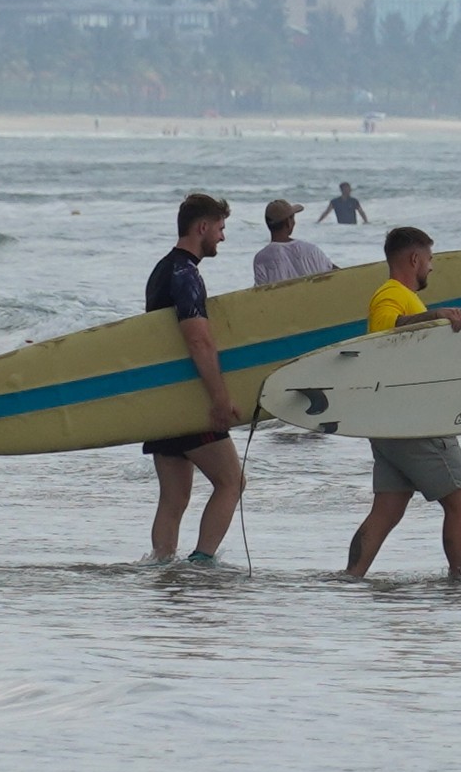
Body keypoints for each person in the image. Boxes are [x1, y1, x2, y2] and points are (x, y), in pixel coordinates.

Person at [344, 226, 461, 580]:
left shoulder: (402, 297)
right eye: (430, 259)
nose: (432, 268)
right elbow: (386, 335)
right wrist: (433, 316)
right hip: (411, 421)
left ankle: (351, 577)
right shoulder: (390, 295)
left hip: (388, 420)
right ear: (415, 259)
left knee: (387, 509)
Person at [143, 193, 245, 563]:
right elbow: (198, 341)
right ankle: (201, 563)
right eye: (220, 228)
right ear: (202, 227)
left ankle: (162, 565)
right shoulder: (186, 275)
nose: (222, 237)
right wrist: (219, 398)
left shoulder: (161, 270)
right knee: (232, 481)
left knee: (173, 499)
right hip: (189, 400)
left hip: (163, 400)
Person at [252, 198, 336, 286]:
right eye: (293, 218)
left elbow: (260, 293)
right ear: (288, 222)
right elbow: (338, 275)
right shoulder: (311, 250)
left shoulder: (261, 258)